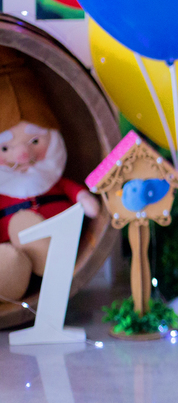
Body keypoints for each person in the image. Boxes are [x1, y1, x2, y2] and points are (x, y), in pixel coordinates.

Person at [0, 47, 99, 301]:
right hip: (10, 252)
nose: (22, 154)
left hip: (62, 244)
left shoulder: (55, 179)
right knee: (9, 259)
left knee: (34, 230)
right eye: (5, 148)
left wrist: (85, 200)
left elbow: (81, 198)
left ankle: (50, 257)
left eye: (34, 141)